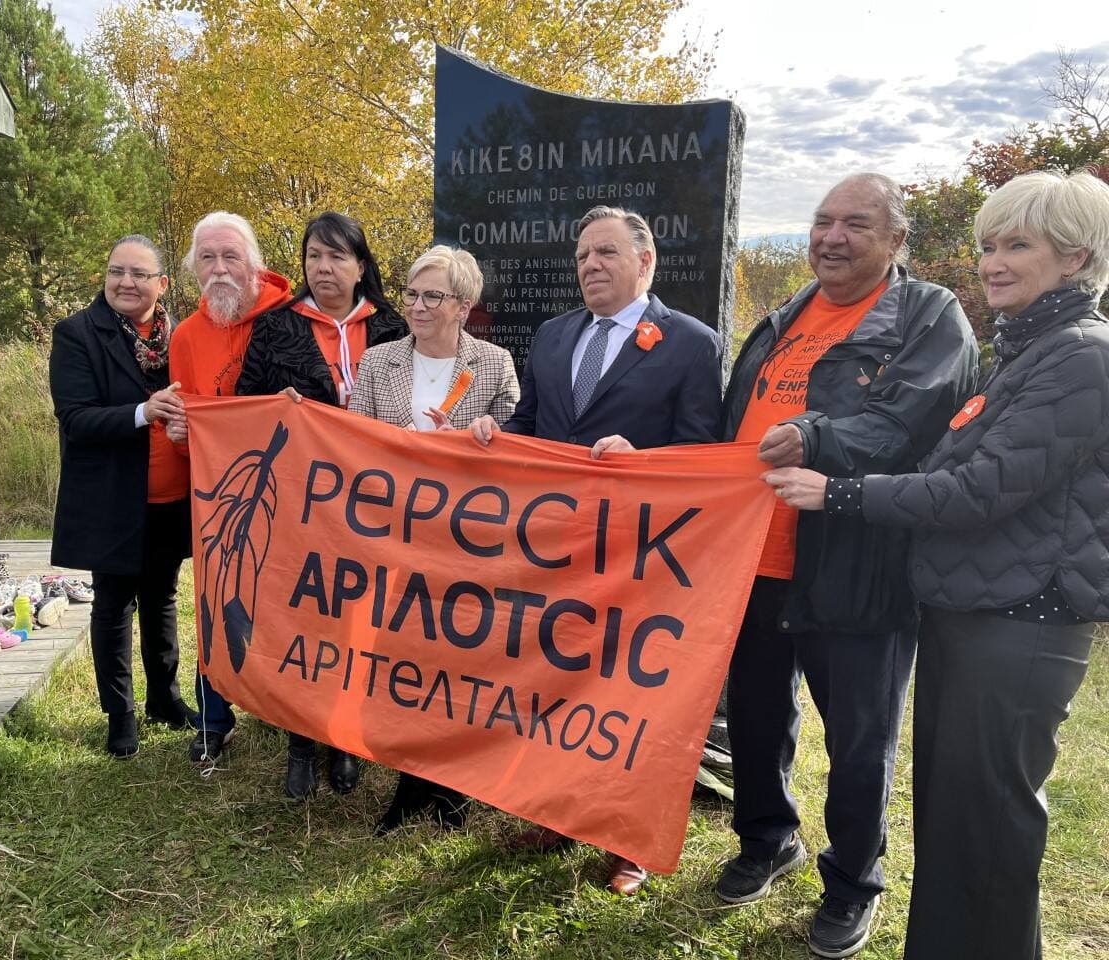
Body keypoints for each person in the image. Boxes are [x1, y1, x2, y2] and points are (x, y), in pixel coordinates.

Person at [766, 169, 1109, 960]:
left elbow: (981, 489)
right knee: (957, 825)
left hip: (1021, 627)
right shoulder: (1028, 351)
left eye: (1017, 244)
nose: (993, 261)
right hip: (976, 618)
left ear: (1076, 256)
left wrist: (840, 493)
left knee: (987, 830)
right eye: (988, 243)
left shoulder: (1080, 356)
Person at [714, 173, 978, 959]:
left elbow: (908, 420)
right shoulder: (784, 313)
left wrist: (817, 438)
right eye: (822, 221)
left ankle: (853, 882)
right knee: (756, 716)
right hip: (758, 557)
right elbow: (736, 421)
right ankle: (766, 839)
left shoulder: (930, 316)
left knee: (859, 739)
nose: (831, 236)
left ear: (896, 240)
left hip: (859, 561)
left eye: (855, 224)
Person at [469, 204, 722, 895]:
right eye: (582, 255)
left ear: (646, 261)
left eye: (605, 253)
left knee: (631, 697)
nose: (590, 266)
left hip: (641, 556)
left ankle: (626, 838)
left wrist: (644, 460)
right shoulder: (552, 337)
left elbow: (703, 450)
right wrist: (497, 432)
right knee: (553, 679)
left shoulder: (692, 343)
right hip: (554, 549)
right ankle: (553, 808)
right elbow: (532, 423)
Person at [235, 211, 407, 800]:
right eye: (313, 256)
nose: (324, 268)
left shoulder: (392, 328)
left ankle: (346, 740)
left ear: (361, 265)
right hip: (300, 503)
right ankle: (301, 743)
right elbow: (243, 409)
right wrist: (272, 409)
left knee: (359, 621)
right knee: (303, 619)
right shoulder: (276, 328)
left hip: (373, 506)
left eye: (337, 256)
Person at [350, 244, 519, 832]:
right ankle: (406, 780)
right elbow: (351, 444)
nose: (417, 307)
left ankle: (451, 784)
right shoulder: (377, 364)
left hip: (466, 543)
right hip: (394, 537)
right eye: (412, 294)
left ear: (464, 305)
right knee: (400, 660)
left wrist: (490, 436)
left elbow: (520, 455)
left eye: (432, 296)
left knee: (459, 664)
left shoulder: (495, 365)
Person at [49, 234, 198, 759]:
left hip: (173, 496)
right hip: (113, 498)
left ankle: (165, 699)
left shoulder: (180, 337)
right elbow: (76, 417)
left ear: (162, 284)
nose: (126, 283)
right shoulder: (76, 334)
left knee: (162, 597)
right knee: (114, 605)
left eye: (139, 274)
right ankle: (121, 716)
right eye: (117, 272)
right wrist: (143, 412)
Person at [164, 211, 293, 765]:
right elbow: (187, 426)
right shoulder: (187, 336)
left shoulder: (289, 317)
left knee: (288, 602)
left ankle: (297, 722)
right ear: (194, 268)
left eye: (231, 257)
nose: (220, 270)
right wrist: (179, 432)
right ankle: (215, 719)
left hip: (290, 488)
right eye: (208, 259)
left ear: (254, 264)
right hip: (217, 494)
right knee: (215, 598)